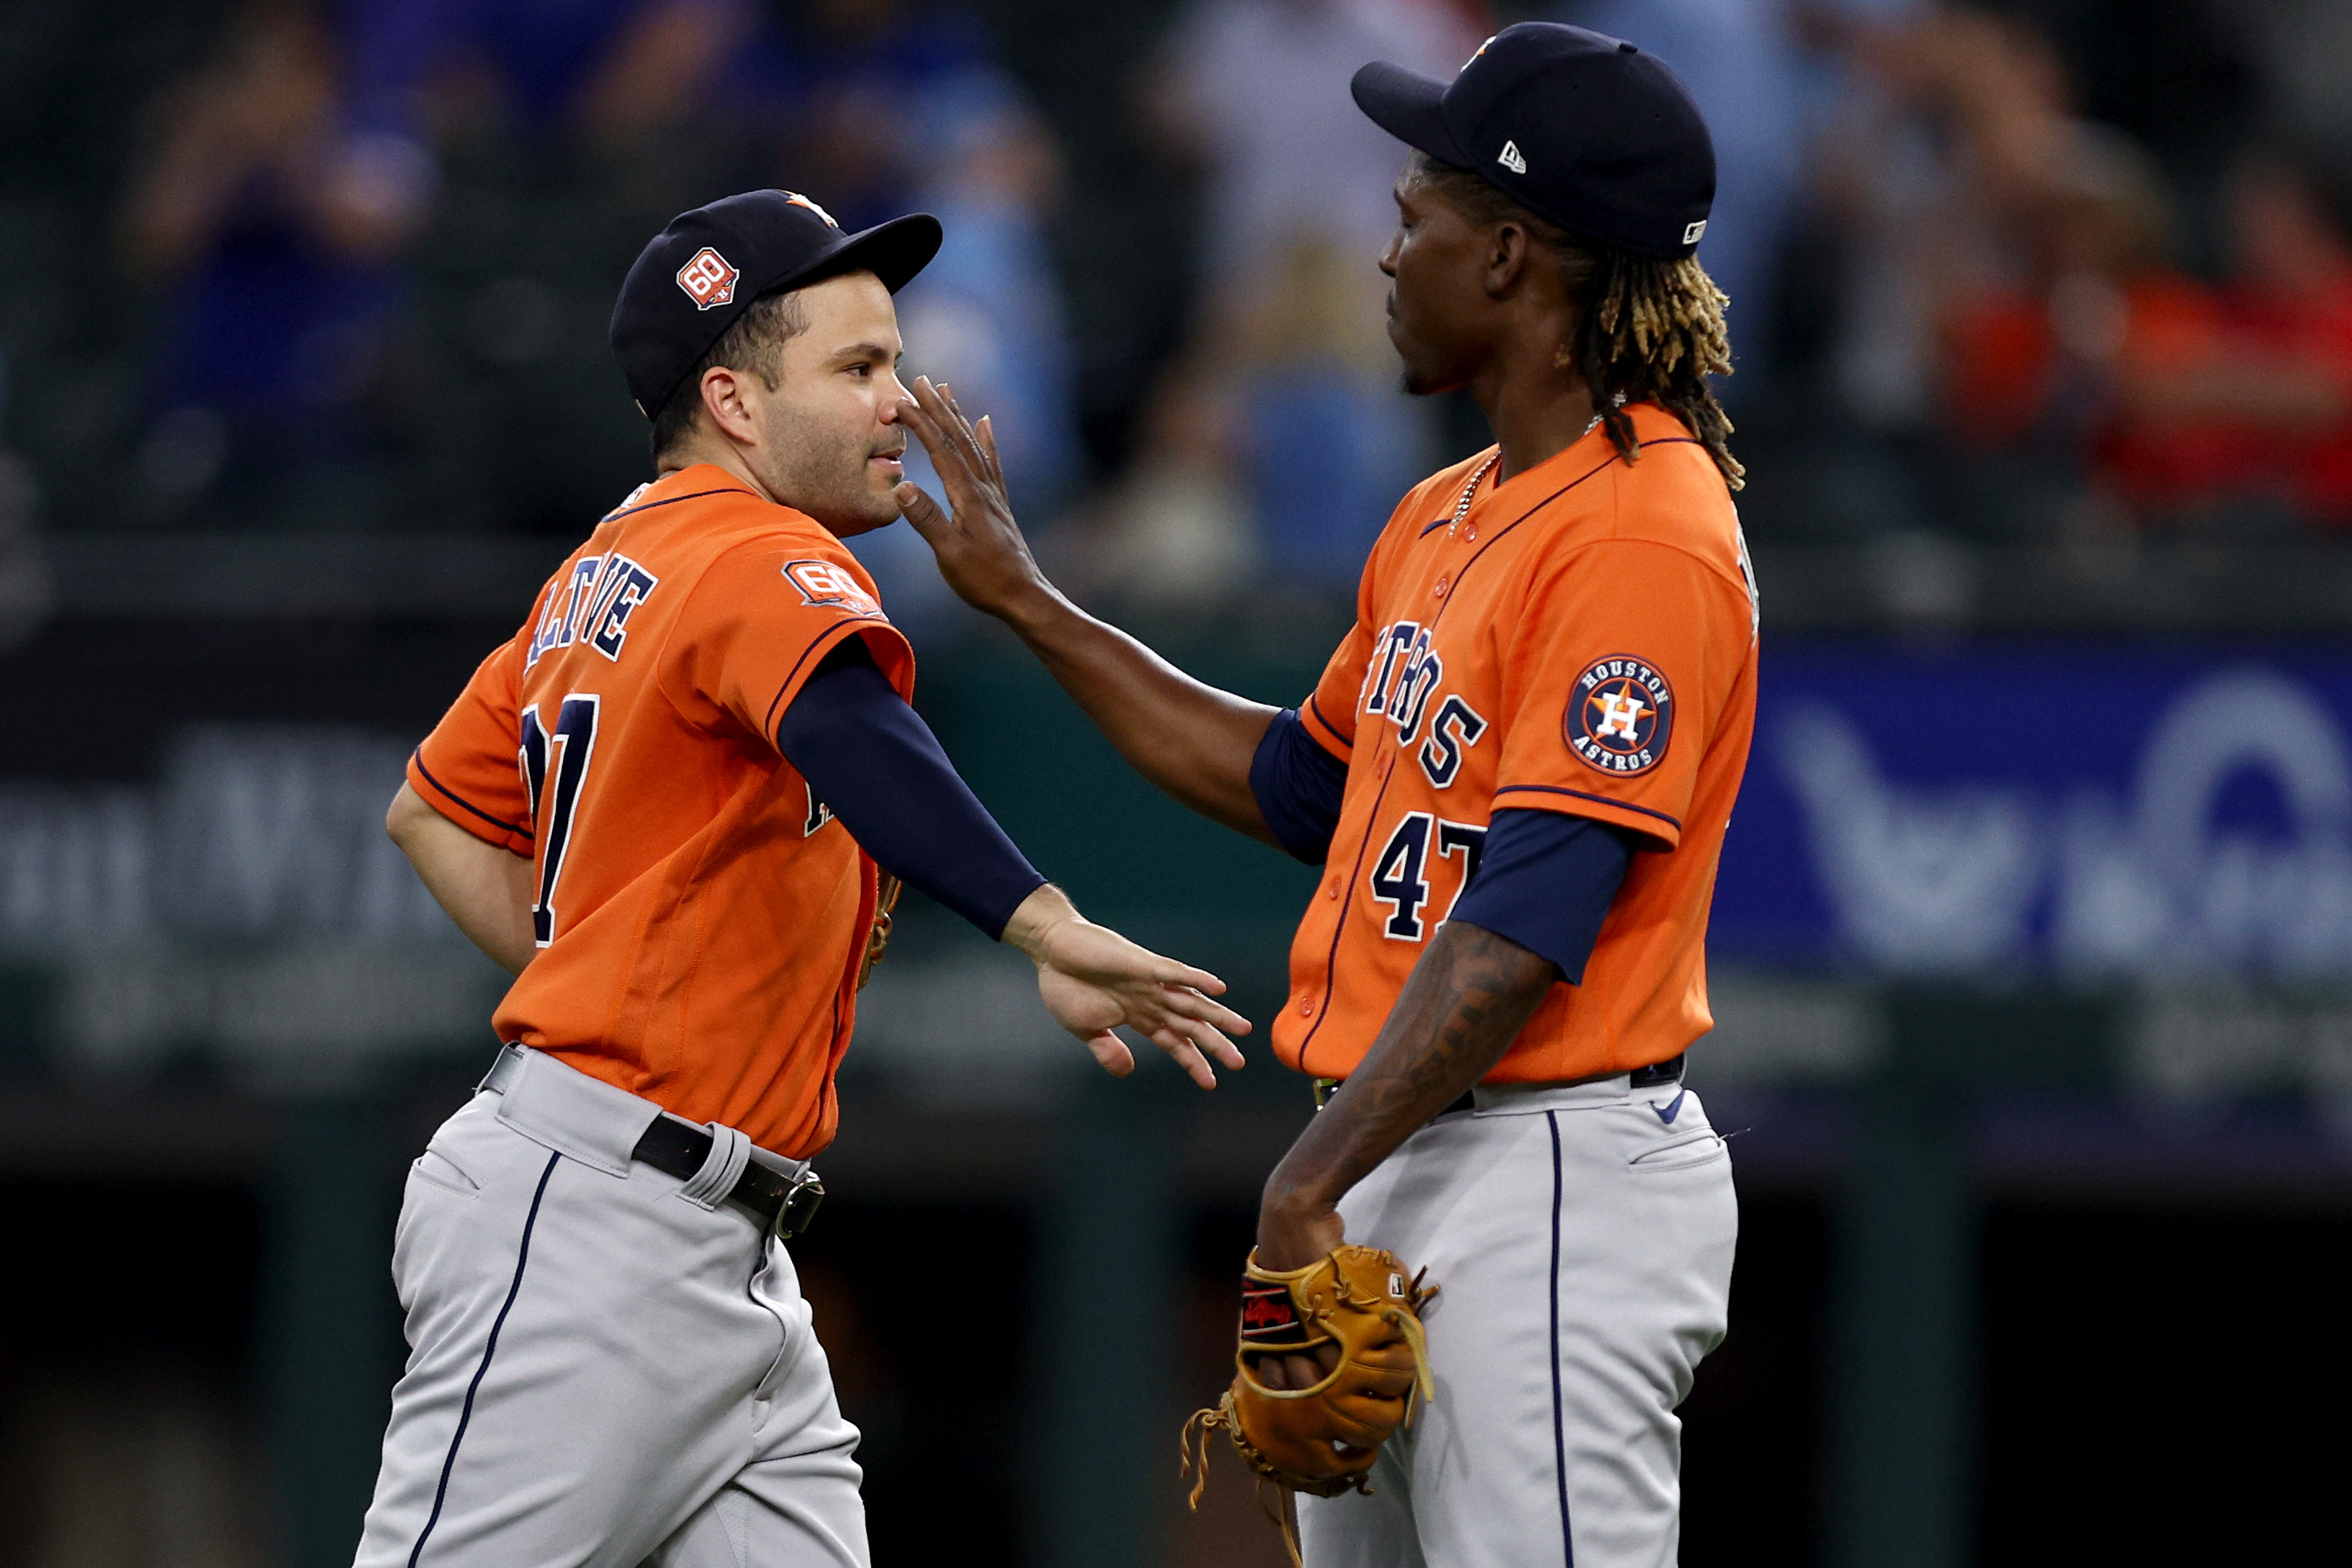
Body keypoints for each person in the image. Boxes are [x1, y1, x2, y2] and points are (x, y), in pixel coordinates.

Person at [895, 24, 1752, 1565]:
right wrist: (1029, 599)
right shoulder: (1445, 508)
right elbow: (1300, 783)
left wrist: (1305, 1178)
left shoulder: (1640, 530)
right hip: (1403, 1154)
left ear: (1507, 256)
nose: (1383, 246)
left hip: (1546, 1175)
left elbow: (1525, 923)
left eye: (1415, 211)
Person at [356, 189, 1249, 1568]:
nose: (902, 399)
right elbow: (857, 734)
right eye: (857, 368)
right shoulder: (757, 546)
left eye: (891, 361)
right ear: (733, 401)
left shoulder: (604, 568)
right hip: (594, 1229)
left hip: (709, 1232)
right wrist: (1043, 921)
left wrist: (597, 972)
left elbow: (431, 811)